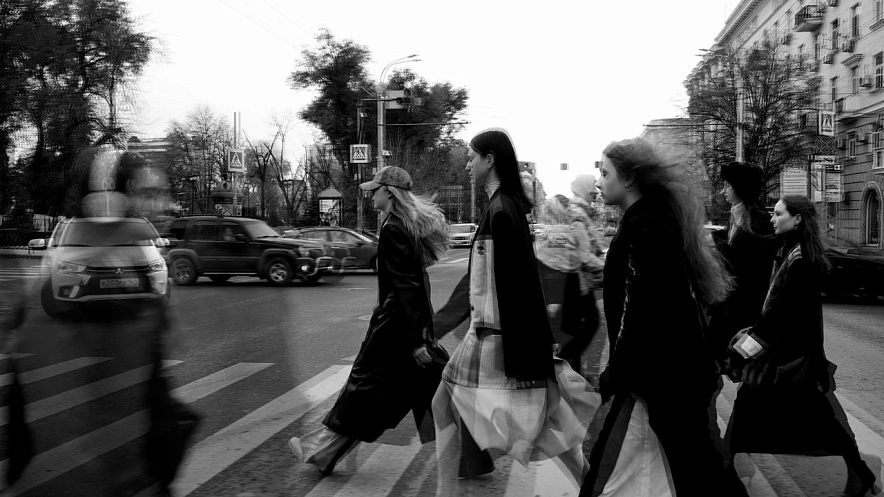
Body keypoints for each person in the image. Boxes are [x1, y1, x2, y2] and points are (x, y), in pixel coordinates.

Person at [433, 129, 598, 495]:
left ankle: (590, 483)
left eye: (472, 157)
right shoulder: (503, 207)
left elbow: (516, 285)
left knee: (541, 418)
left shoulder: (501, 211)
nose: (467, 164)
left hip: (495, 336)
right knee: (534, 415)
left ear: (490, 159)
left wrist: (527, 347)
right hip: (494, 333)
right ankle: (588, 482)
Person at [580, 138, 747, 497]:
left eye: (605, 173)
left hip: (663, 376)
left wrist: (614, 373)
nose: (599, 181)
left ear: (628, 179)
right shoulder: (654, 219)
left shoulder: (646, 226)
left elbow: (638, 310)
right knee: (693, 466)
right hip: (666, 373)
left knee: (700, 469)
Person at [287, 166, 449, 475]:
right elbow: (415, 284)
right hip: (401, 324)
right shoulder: (400, 224)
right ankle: (322, 451)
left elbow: (407, 287)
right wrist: (421, 333)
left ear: (389, 192)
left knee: (365, 390)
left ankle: (321, 451)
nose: (370, 195)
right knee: (419, 389)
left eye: (375, 189)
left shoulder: (394, 228)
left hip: (394, 327)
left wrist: (418, 339)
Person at [724, 195, 879, 497]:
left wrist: (742, 351)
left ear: (797, 219)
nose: (772, 219)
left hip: (789, 360)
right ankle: (726, 473)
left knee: (816, 420)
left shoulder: (800, 260)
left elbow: (779, 316)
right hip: (789, 356)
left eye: (778, 213)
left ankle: (725, 474)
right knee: (810, 419)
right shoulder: (791, 251)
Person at [558, 174, 605, 378]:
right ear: (584, 189)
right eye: (592, 189)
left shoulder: (579, 213)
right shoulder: (578, 216)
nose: (596, 193)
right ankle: (562, 362)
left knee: (575, 328)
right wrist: (606, 268)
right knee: (590, 323)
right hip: (575, 281)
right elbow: (584, 256)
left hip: (575, 280)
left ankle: (573, 373)